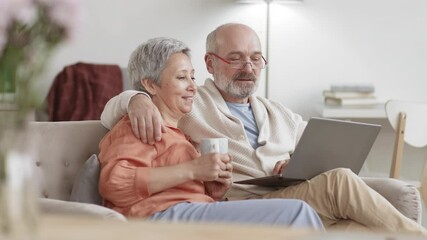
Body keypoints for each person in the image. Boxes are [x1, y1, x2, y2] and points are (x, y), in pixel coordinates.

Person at [100, 24, 426, 234]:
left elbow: (316, 146)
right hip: (241, 202)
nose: (249, 68)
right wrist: (136, 99)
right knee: (339, 182)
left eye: (256, 58)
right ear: (211, 63)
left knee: (359, 226)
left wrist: (296, 168)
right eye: (237, 58)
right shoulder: (189, 104)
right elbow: (126, 113)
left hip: (282, 192)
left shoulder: (277, 111)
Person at [98, 37, 323, 229]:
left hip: (194, 210)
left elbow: (183, 187)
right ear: (151, 85)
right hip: (159, 217)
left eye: (193, 77)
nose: (193, 87)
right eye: (181, 77)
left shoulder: (179, 133)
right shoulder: (139, 126)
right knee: (296, 212)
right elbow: (115, 184)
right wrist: (193, 169)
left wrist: (213, 186)